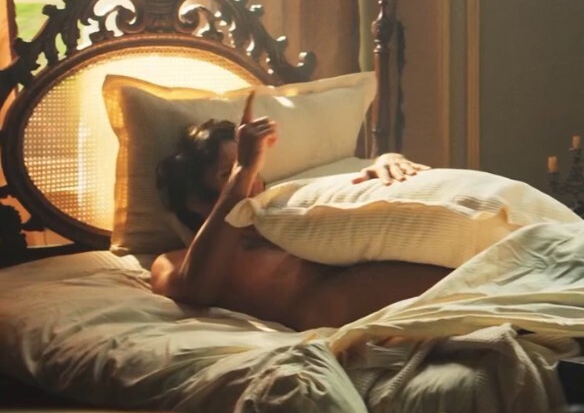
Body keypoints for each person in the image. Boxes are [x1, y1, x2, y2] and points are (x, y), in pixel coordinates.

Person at [150, 94, 449, 332]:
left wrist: (385, 163)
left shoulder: (284, 211)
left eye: (254, 169)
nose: (254, 182)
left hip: (413, 277)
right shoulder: (174, 262)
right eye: (227, 172)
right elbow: (196, 289)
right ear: (195, 201)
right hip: (340, 309)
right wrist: (243, 169)